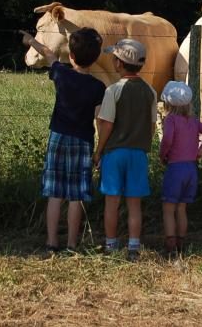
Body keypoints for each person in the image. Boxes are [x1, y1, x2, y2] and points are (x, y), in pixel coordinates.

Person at [20, 28, 106, 255]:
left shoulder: (61, 74)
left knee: (55, 194)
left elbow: (48, 53)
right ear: (96, 58)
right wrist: (100, 150)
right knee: (76, 195)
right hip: (83, 142)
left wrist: (30, 40)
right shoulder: (98, 87)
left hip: (58, 137)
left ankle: (51, 242)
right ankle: (71, 244)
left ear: (71, 56)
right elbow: (100, 120)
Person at [93, 39, 157, 261]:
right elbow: (152, 125)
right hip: (138, 154)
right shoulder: (150, 91)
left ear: (118, 63)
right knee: (134, 204)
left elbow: (107, 125)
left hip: (114, 153)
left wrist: (98, 151)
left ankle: (111, 245)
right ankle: (133, 247)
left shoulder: (113, 90)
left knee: (112, 203)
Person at [159, 81, 202, 254]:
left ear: (167, 104)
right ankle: (181, 243)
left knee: (168, 209)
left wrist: (162, 154)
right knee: (182, 208)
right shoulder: (193, 122)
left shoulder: (171, 120)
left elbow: (167, 139)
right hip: (191, 170)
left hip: (175, 169)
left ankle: (170, 245)